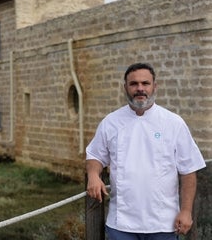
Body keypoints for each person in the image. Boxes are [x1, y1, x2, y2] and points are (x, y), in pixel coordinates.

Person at [85, 62, 206, 240]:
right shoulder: (110, 122)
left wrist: (186, 211)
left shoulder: (173, 123)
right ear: (125, 87)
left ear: (154, 86)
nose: (140, 89)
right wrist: (94, 175)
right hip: (121, 224)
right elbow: (95, 155)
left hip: (164, 223)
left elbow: (188, 171)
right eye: (134, 84)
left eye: (145, 83)